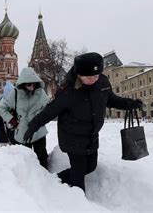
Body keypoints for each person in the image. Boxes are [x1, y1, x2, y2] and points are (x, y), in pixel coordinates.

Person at [23, 52, 143, 192]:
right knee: (79, 173)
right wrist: (32, 127)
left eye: (96, 76)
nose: (93, 79)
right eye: (88, 77)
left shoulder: (103, 83)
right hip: (72, 137)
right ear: (79, 75)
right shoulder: (68, 91)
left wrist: (131, 104)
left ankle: (55, 180)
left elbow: (111, 99)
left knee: (91, 167)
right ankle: (79, 203)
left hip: (91, 136)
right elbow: (49, 112)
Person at [0, 67, 50, 168]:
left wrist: (41, 119)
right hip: (22, 133)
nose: (32, 86)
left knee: (42, 158)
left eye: (34, 83)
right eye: (28, 84)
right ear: (23, 83)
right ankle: (27, 181)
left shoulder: (41, 93)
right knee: (25, 161)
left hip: (38, 131)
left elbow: (48, 109)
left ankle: (45, 180)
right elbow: (3, 108)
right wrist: (13, 121)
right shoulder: (15, 93)